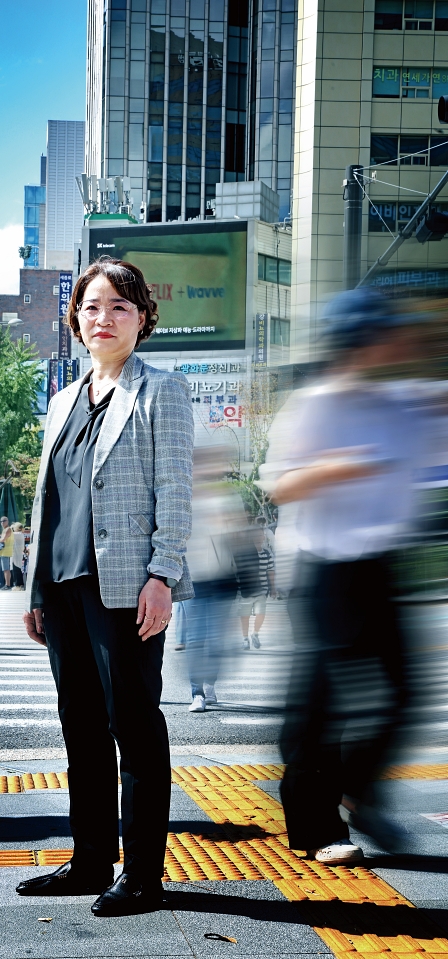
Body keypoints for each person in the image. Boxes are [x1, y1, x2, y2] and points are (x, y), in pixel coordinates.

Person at [18, 258, 194, 917]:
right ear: (76, 319)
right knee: (81, 726)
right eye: (92, 306)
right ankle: (91, 856)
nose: (104, 317)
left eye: (119, 306)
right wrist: (36, 587)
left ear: (143, 317)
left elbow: (174, 490)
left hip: (124, 585)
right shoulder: (64, 398)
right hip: (62, 587)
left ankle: (143, 873)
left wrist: (162, 575)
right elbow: (49, 501)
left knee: (134, 725)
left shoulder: (160, 390)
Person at [261, 288, 424, 865]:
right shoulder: (314, 405)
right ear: (360, 341)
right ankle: (315, 826)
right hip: (323, 568)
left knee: (407, 693)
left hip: (382, 566)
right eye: (389, 333)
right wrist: (337, 467)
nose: (401, 342)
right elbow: (279, 485)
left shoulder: (401, 403)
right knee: (319, 706)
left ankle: (360, 789)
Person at [185, 445, 244, 712]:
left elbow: (239, 535)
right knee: (195, 637)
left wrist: (230, 523)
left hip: (222, 578)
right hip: (192, 578)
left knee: (218, 638)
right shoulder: (183, 495)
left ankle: (210, 683)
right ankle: (197, 692)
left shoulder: (228, 496)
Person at [237, 525, 275, 650]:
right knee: (245, 616)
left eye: (261, 535)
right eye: (256, 535)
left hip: (262, 590)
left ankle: (255, 634)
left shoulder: (267, 553)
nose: (259, 537)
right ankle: (245, 638)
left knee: (261, 614)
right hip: (246, 591)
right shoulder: (244, 553)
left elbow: (270, 571)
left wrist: (273, 588)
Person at [0, 515, 13, 589]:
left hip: (6, 552)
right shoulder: (4, 530)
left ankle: (7, 585)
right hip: (2, 552)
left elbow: (3, 539)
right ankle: (4, 585)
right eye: (1, 521)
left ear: (7, 521)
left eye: (4, 521)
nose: (2, 522)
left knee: (6, 569)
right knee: (1, 569)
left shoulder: (8, 529)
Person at [11, 521, 25, 590]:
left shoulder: (18, 534)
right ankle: (18, 585)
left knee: (17, 570)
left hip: (17, 555)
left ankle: (19, 585)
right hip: (16, 554)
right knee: (16, 569)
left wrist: (10, 528)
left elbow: (9, 533)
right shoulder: (19, 534)